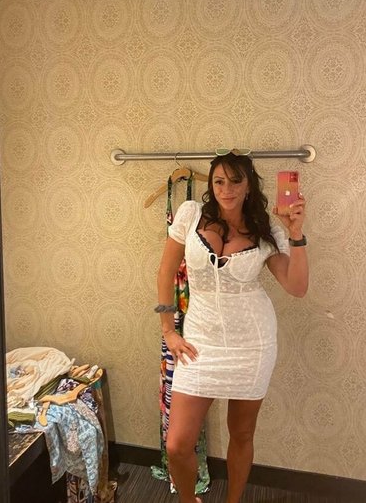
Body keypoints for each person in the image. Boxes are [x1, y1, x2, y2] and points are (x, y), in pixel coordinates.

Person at [155, 150, 308, 503]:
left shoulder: (266, 230)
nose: (227, 189)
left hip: (252, 345)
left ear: (249, 185)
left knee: (241, 434)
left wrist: (296, 234)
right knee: (177, 444)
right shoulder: (191, 215)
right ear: (211, 184)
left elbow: (297, 287)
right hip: (199, 343)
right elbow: (165, 272)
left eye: (236, 181)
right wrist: (168, 330)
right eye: (219, 181)